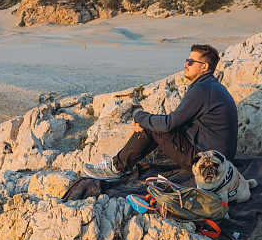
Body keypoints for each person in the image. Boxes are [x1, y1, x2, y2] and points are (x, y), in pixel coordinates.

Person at [83, 44, 238, 181]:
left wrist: (139, 116)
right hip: (218, 157)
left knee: (154, 126)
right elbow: (177, 120)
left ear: (204, 67)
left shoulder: (202, 89)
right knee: (154, 123)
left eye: (191, 62)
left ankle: (117, 168)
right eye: (186, 60)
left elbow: (169, 124)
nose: (186, 64)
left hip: (207, 161)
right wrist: (146, 120)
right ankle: (122, 161)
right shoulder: (211, 86)